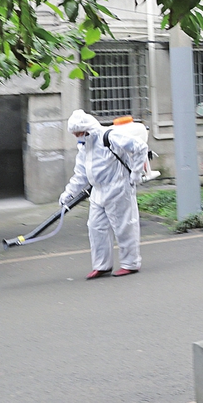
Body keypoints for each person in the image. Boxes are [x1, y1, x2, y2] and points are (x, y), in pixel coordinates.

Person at [59, 110, 148, 279]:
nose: (76, 136)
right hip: (98, 191)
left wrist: (136, 173)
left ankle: (130, 264)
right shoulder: (85, 147)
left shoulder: (110, 136)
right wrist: (69, 192)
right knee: (96, 228)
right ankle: (102, 265)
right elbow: (81, 174)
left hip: (118, 188)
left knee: (124, 227)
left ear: (87, 129)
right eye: (75, 134)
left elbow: (140, 147)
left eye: (78, 132)